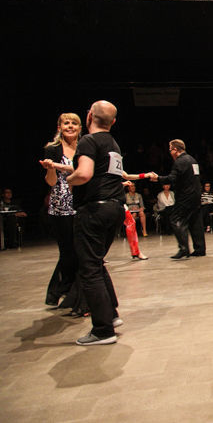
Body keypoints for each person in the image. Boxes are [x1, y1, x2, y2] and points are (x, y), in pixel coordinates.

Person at [66, 100, 126, 345]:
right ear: (113, 122)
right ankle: (110, 314)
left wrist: (68, 179)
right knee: (97, 263)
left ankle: (103, 331)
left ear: (89, 116)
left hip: (94, 210)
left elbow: (84, 174)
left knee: (89, 268)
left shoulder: (88, 141)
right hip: (115, 208)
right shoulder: (113, 144)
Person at [39, 113, 83, 309]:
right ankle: (59, 291)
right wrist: (50, 168)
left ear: (80, 128)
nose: (70, 126)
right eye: (66, 123)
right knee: (67, 251)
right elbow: (51, 182)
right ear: (59, 127)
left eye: (74, 123)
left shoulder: (84, 148)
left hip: (80, 204)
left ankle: (63, 292)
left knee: (78, 250)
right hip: (60, 206)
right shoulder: (52, 149)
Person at [149, 139, 206, 258]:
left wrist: (158, 178)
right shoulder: (192, 160)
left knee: (176, 219)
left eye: (170, 150)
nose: (170, 152)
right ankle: (200, 249)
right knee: (195, 221)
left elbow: (172, 178)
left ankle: (184, 248)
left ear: (175, 150)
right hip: (196, 195)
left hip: (185, 196)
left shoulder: (179, 162)